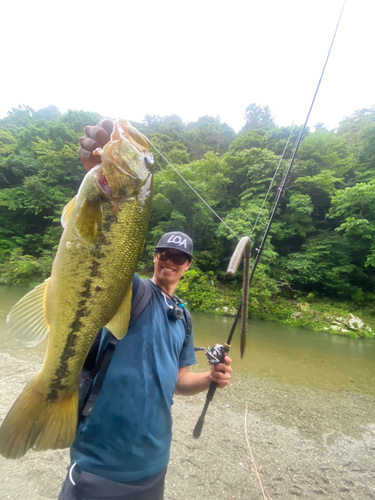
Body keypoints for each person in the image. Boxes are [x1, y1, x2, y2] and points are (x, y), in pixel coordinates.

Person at [58, 120, 233, 500]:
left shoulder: (183, 315)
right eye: (164, 254)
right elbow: (102, 258)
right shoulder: (129, 290)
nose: (170, 261)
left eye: (179, 257)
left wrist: (210, 378)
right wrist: (99, 174)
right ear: (154, 257)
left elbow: (178, 381)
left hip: (153, 468)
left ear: (188, 266)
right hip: (97, 464)